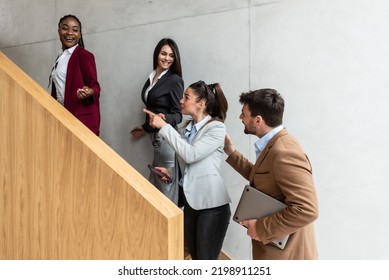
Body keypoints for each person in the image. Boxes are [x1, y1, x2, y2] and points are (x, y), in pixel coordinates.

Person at [224, 88, 319, 260]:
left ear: (258, 120)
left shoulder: (284, 151)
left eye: (243, 114)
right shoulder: (274, 145)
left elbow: (307, 209)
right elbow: (262, 176)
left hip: (287, 255)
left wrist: (260, 228)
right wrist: (232, 153)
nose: (240, 118)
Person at [144, 81, 231, 260]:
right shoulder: (186, 130)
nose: (181, 100)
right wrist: (171, 173)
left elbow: (191, 154)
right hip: (192, 205)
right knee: (194, 258)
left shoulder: (216, 128)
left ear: (201, 104)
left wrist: (164, 127)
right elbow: (189, 165)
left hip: (212, 207)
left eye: (186, 97)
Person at [131, 38, 184, 204]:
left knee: (165, 187)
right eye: (163, 53)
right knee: (157, 187)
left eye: (171, 55)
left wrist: (165, 118)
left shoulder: (174, 80)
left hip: (166, 139)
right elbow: (153, 108)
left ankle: (172, 228)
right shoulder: (152, 77)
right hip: (155, 138)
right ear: (157, 54)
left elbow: (178, 115)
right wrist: (145, 127)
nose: (167, 58)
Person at [50, 14, 101, 135]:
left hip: (81, 120)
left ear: (80, 34)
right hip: (62, 117)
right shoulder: (60, 57)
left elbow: (95, 87)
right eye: (65, 28)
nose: (70, 33)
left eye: (75, 30)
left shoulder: (83, 55)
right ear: (59, 32)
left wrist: (89, 91)